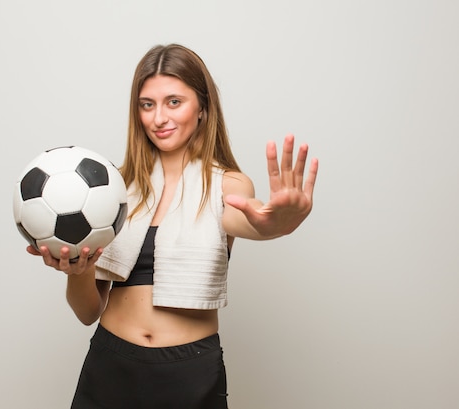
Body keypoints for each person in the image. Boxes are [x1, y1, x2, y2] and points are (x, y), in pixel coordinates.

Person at [27, 44, 318, 409]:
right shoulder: (112, 189)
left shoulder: (227, 185)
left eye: (174, 102)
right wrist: (77, 272)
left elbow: (252, 219)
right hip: (110, 366)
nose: (158, 118)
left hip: (189, 374)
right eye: (147, 104)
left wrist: (278, 223)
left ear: (203, 108)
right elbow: (87, 313)